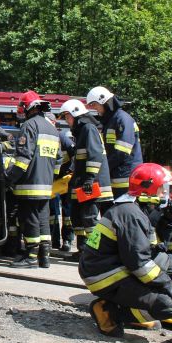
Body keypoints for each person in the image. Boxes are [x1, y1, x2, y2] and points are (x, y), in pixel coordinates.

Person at [79, 163, 172, 337]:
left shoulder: (136, 209)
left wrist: (168, 220)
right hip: (105, 276)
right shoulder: (131, 215)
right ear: (147, 189)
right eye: (161, 188)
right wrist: (167, 286)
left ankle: (129, 305)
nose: (164, 193)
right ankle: (110, 312)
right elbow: (139, 263)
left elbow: (154, 247)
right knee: (168, 305)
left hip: (114, 266)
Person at [6, 91, 60, 268]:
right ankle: (44, 258)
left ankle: (30, 257)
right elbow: (58, 159)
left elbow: (23, 158)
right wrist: (49, 176)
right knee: (43, 220)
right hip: (46, 186)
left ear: (27, 107)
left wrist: (9, 178)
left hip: (29, 185)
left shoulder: (29, 126)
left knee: (29, 221)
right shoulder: (52, 128)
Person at [58, 99, 113, 260]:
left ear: (75, 114)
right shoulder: (82, 131)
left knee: (89, 220)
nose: (66, 121)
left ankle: (95, 254)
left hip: (92, 184)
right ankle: (83, 250)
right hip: (83, 183)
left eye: (67, 117)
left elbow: (94, 155)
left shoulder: (88, 129)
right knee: (78, 216)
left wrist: (89, 178)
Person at [86, 86, 143, 198]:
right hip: (117, 176)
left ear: (104, 102)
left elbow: (122, 152)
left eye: (95, 105)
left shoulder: (122, 119)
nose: (94, 109)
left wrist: (104, 167)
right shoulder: (111, 121)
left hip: (126, 179)